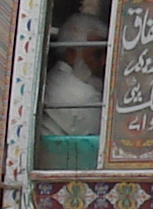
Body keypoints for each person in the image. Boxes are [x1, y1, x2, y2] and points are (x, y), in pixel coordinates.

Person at [37, 11, 108, 143]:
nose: (104, 62)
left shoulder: (58, 76)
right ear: (71, 55)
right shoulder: (84, 96)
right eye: (97, 54)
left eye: (106, 53)